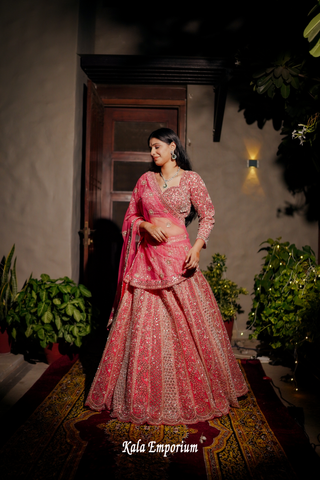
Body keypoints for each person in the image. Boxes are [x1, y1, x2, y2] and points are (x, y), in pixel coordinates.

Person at [85, 128, 248, 425]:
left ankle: (195, 391)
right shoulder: (144, 181)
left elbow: (208, 214)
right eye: (150, 148)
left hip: (179, 259)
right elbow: (131, 217)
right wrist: (145, 227)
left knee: (186, 326)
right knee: (142, 328)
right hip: (147, 260)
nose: (152, 153)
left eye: (157, 147)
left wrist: (198, 248)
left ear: (173, 147)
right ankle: (142, 395)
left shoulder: (191, 179)